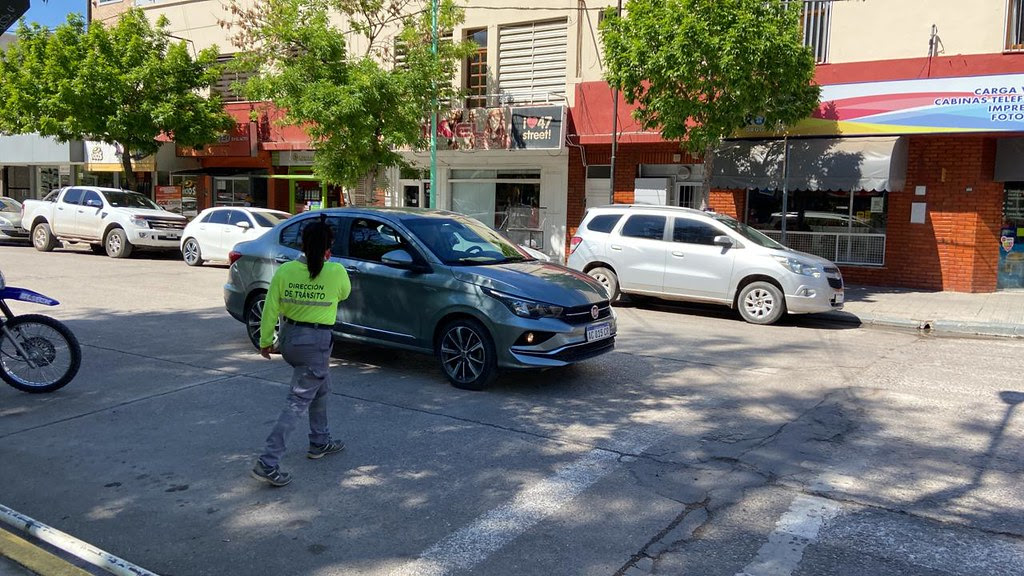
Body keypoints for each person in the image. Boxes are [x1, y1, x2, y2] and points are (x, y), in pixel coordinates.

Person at [251, 220, 351, 487]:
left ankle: (320, 440)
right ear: (328, 247)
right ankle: (268, 462)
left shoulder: (286, 270)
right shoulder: (336, 271)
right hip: (315, 344)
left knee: (321, 387)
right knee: (296, 402)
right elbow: (344, 294)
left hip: (290, 340)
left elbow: (270, 307)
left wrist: (265, 341)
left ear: (302, 244)